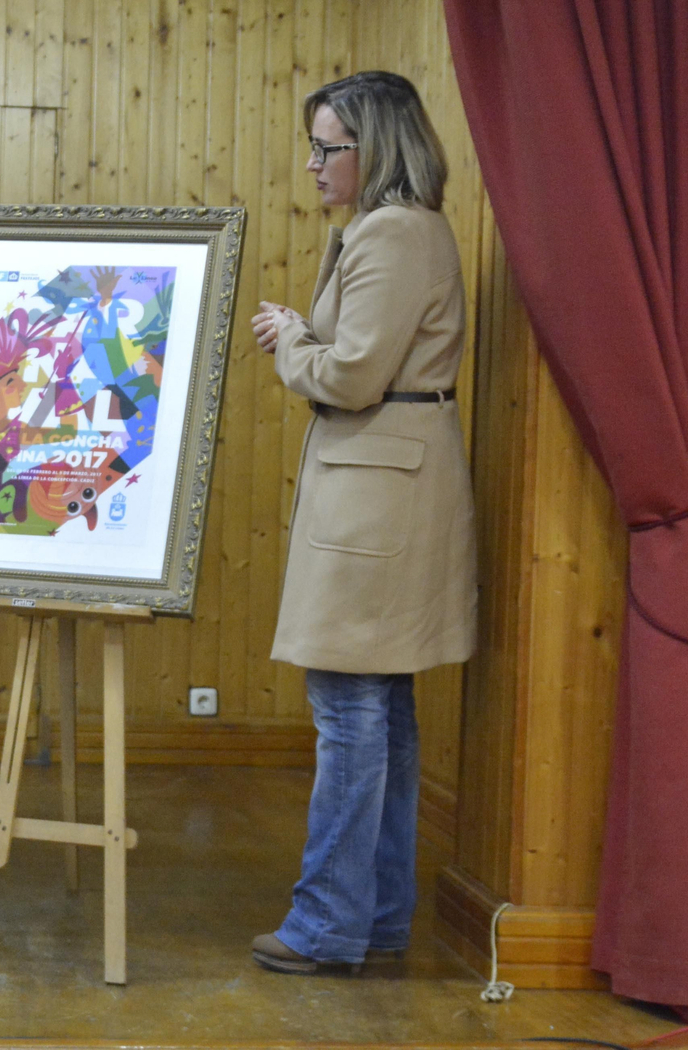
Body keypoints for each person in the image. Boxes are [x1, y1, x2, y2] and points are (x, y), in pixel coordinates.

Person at [248, 71, 477, 973]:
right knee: (380, 711)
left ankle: (327, 925)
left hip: (378, 487)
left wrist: (289, 339)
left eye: (327, 147)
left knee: (349, 712)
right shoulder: (400, 230)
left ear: (373, 147)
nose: (313, 164)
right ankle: (372, 917)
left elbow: (348, 378)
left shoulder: (390, 232)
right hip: (392, 477)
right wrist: (315, 334)